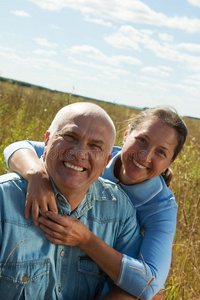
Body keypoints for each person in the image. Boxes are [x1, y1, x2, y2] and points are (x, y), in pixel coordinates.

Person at [4, 105, 188, 300]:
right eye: (142, 140)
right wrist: (36, 175)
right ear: (126, 135)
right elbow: (20, 147)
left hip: (110, 275)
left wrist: (85, 239)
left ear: (169, 162)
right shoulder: (95, 152)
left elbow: (149, 284)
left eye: (161, 152)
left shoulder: (162, 208)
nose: (145, 155)